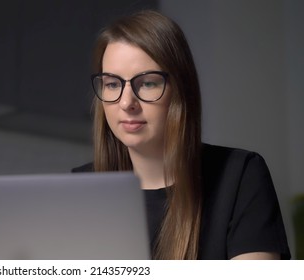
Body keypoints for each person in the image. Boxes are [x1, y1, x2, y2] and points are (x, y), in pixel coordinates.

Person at [72, 10, 290, 260]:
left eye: (148, 83)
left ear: (180, 89)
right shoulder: (79, 188)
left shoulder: (240, 177)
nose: (126, 102)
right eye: (112, 84)